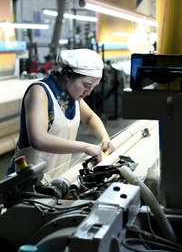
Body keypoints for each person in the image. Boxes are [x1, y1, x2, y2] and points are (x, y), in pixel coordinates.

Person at [6, 49, 115, 179]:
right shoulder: (40, 92)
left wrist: (105, 138)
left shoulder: (73, 95)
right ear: (68, 74)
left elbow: (90, 117)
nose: (89, 92)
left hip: (56, 177)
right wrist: (85, 147)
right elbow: (38, 139)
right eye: (86, 85)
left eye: (93, 86)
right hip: (26, 182)